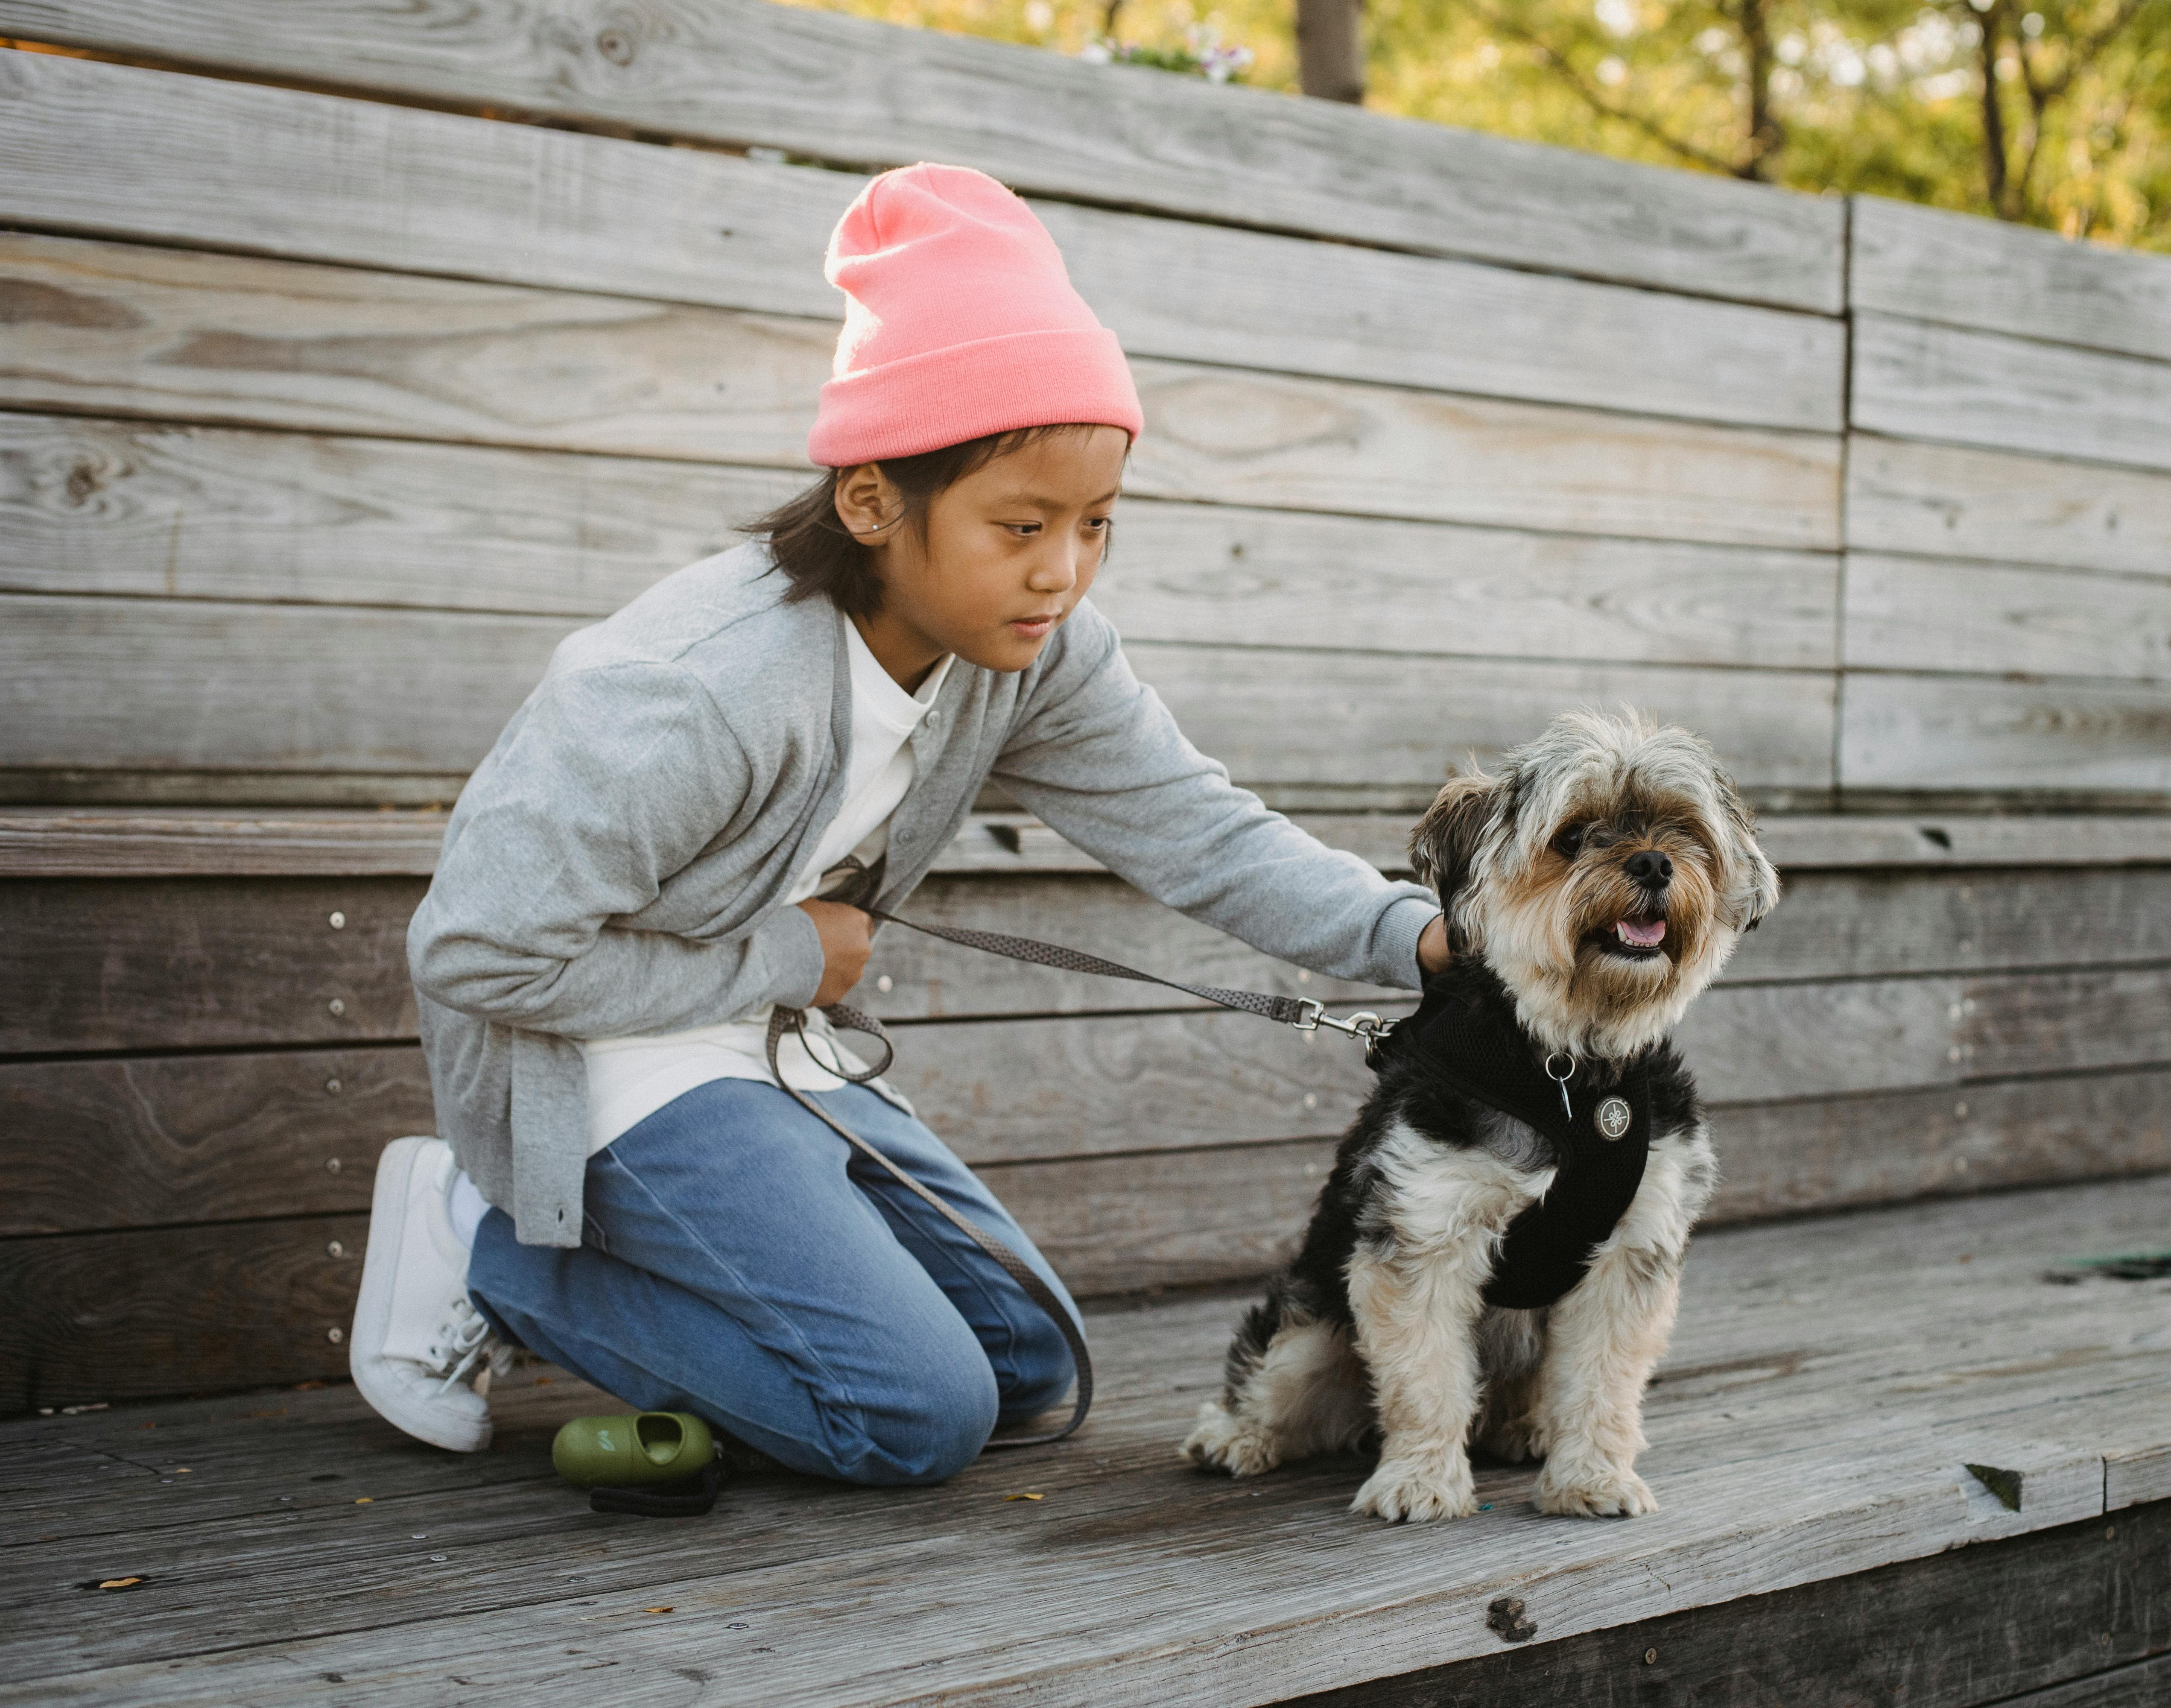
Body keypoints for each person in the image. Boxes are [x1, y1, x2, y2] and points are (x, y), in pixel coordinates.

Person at [346, 163, 1452, 1483]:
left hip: (772, 1041)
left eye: (1098, 526)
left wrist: (1425, 941)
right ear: (874, 502)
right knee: (913, 1419)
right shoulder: (691, 691)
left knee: (1031, 1368)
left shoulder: (1031, 650)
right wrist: (789, 963)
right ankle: (491, 1243)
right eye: (1022, 524)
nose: (1064, 570)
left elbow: (1197, 829)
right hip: (600, 1057)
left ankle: (702, 1299)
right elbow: (473, 954)